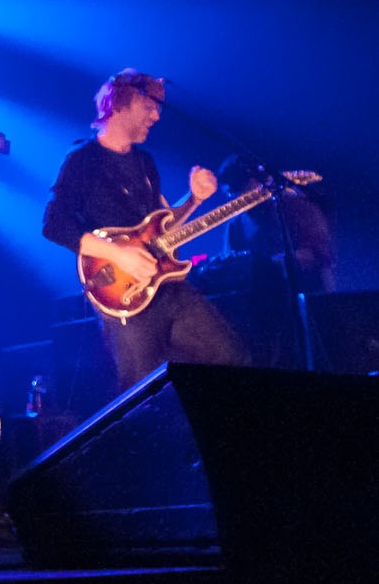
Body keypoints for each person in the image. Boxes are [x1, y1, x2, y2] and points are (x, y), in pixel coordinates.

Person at [42, 69, 249, 391]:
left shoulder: (145, 162)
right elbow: (54, 225)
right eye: (149, 107)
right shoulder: (83, 160)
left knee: (232, 359)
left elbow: (160, 228)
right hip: (124, 294)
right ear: (120, 104)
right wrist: (118, 253)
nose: (156, 116)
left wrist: (194, 199)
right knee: (143, 392)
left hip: (169, 287)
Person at [218, 153, 336, 295]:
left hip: (305, 295)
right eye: (230, 192)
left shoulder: (298, 208)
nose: (236, 197)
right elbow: (232, 268)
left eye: (240, 186)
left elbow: (320, 257)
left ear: (261, 181)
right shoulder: (235, 225)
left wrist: (267, 264)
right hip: (262, 300)